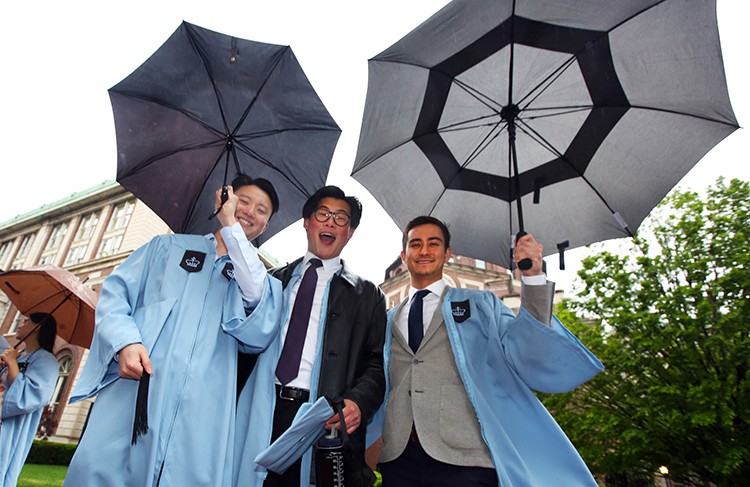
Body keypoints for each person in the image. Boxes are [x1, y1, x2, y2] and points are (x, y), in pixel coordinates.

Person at [64, 174, 284, 487]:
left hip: (203, 414)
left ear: (265, 226)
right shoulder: (167, 249)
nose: (250, 211)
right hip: (139, 393)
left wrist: (232, 232)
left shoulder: (259, 282)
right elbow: (114, 296)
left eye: (262, 210)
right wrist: (126, 342)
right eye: (243, 201)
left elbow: (259, 329)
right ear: (223, 199)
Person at [372, 216, 604, 487]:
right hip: (399, 461)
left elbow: (528, 349)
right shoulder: (386, 320)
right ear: (404, 255)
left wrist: (532, 277)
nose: (424, 251)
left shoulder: (482, 304)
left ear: (448, 253)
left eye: (434, 244)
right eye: (416, 244)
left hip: (467, 458)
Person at [234, 186, 387, 487]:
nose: (331, 222)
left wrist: (358, 401)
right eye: (323, 214)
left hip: (320, 421)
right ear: (307, 222)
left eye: (341, 219)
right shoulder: (271, 282)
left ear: (350, 232)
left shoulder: (369, 296)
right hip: (261, 413)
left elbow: (376, 364)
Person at [1, 313, 59, 487]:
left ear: (37, 327)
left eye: (26, 322)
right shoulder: (18, 355)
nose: (20, 324)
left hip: (10, 428)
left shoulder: (46, 361)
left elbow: (29, 396)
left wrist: (12, 365)